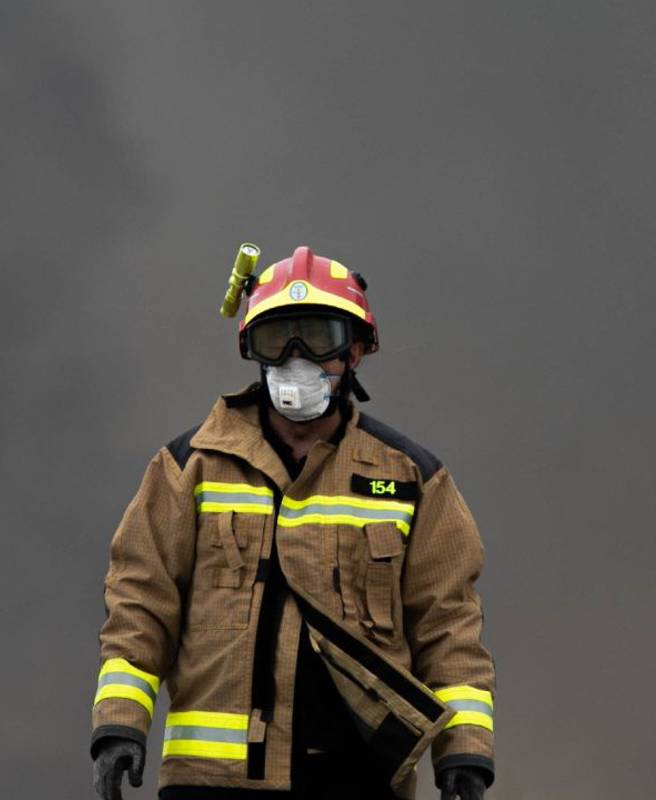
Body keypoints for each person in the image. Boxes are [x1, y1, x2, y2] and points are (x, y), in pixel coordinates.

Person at [90, 246, 495, 800]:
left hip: (359, 781)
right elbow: (141, 599)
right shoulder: (190, 468)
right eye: (279, 338)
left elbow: (447, 625)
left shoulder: (412, 480)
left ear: (354, 352)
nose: (297, 358)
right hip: (213, 783)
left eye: (318, 337)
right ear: (252, 350)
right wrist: (119, 723)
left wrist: (465, 751)